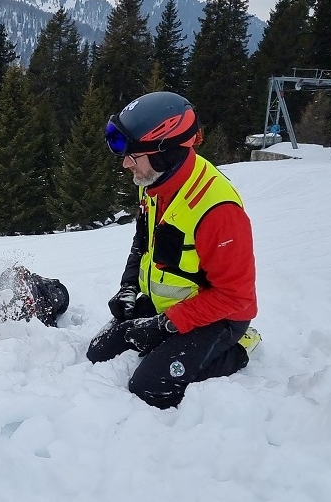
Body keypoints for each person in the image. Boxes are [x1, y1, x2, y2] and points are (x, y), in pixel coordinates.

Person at [86, 91, 261, 409]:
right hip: (169, 305)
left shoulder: (218, 210)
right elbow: (142, 241)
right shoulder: (154, 184)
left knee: (150, 388)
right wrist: (128, 287)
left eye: (133, 156)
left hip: (219, 318)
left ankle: (239, 348)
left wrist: (161, 326)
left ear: (165, 152)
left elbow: (236, 296)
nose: (126, 164)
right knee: (97, 352)